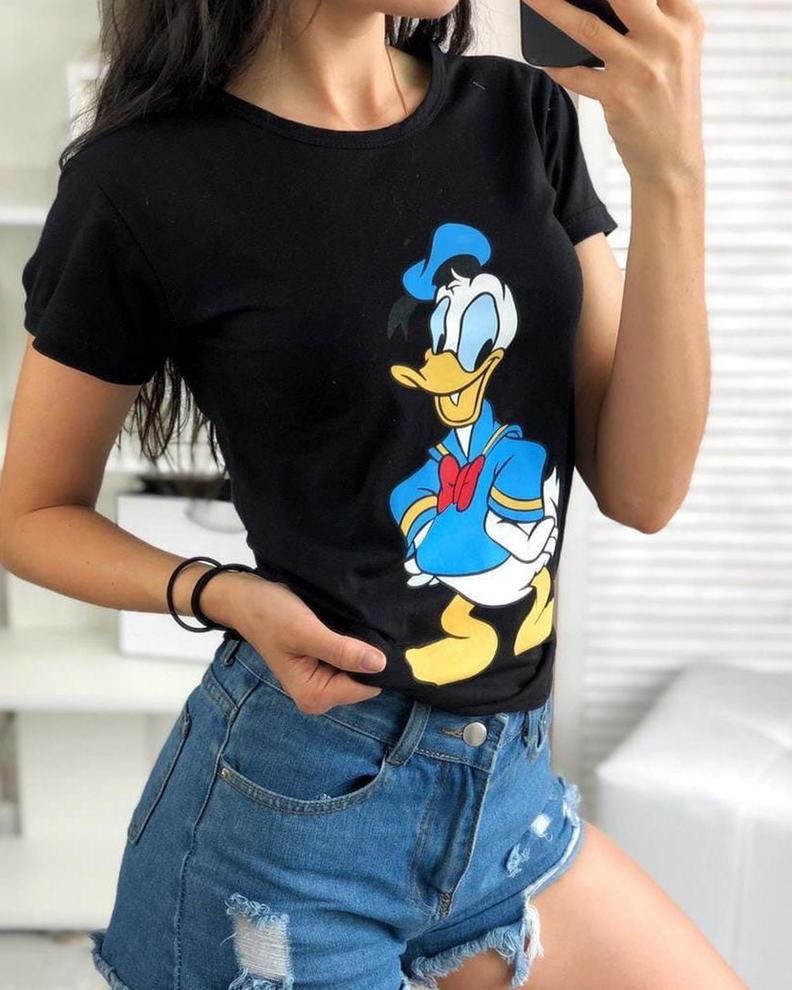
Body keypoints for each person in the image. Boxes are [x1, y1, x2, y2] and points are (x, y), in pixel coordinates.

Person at [0, 0, 746, 988]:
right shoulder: (142, 180)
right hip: (291, 831)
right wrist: (221, 593)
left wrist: (671, 173)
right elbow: (31, 514)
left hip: (506, 802)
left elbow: (644, 491)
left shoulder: (520, 114)